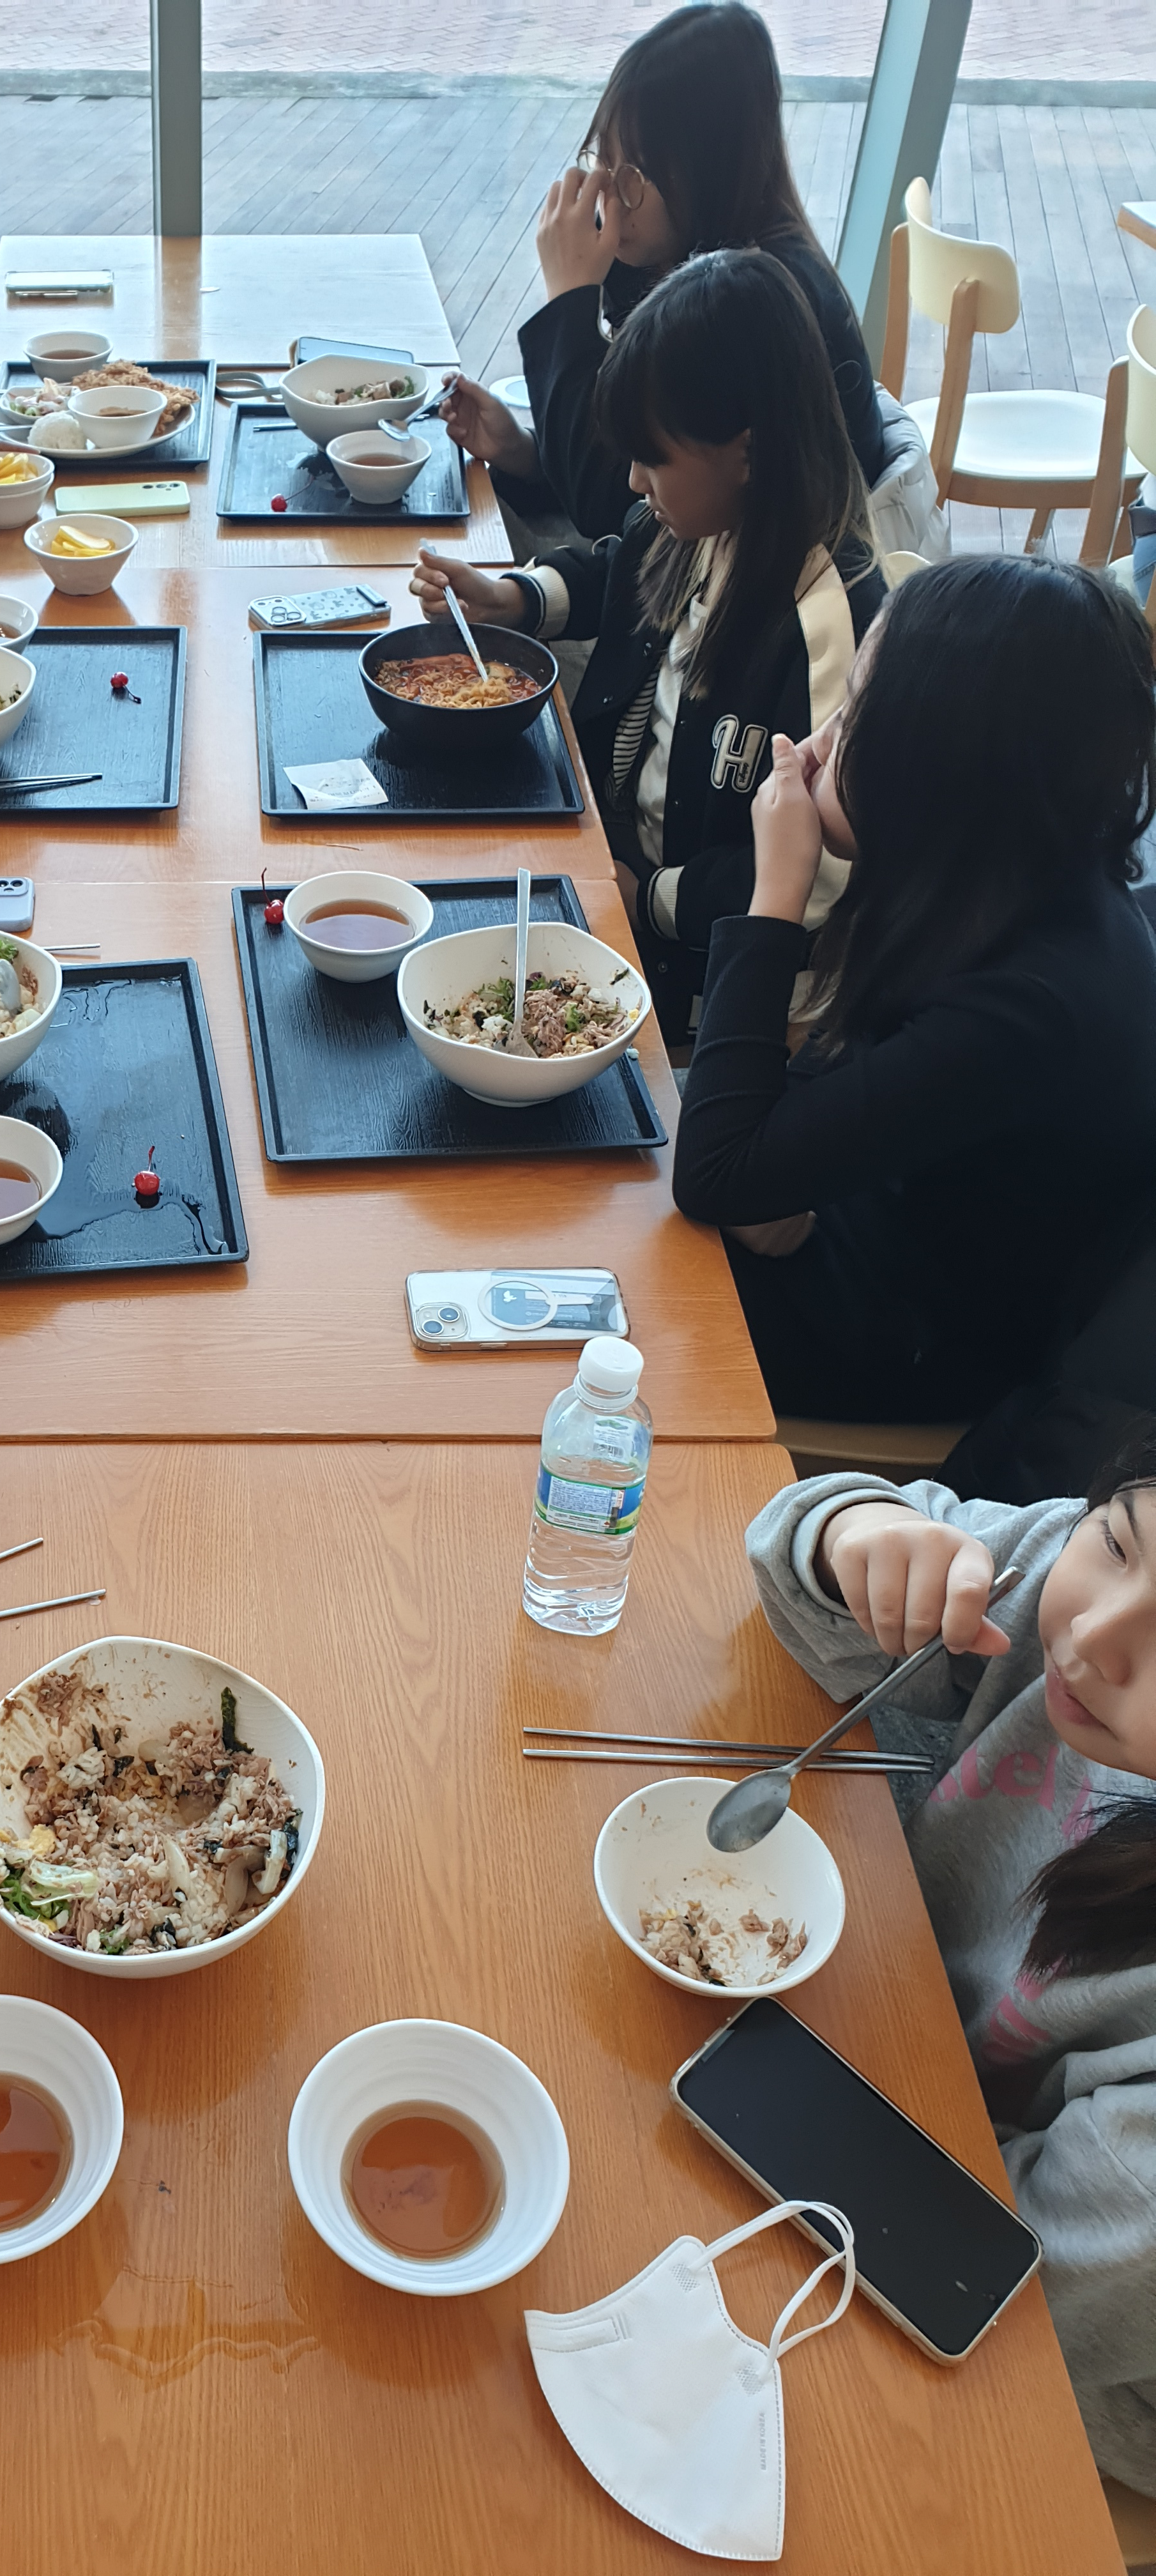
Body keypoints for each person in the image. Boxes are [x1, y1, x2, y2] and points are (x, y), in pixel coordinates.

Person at [747, 1443, 1156, 2496]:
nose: (1092, 1638)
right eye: (1117, 1542)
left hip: (1059, 2350)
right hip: (903, 2044)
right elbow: (804, 1560)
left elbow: (990, 2271)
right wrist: (857, 1539)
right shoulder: (1085, 1582)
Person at [674, 555, 1156, 1429]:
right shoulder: (1006, 876)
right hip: (877, 1230)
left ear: (938, 758)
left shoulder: (1032, 1005)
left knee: (618, 1267)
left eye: (858, 710)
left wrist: (775, 893)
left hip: (918, 1343)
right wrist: (772, 1174)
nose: (821, 738)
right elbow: (793, 1118)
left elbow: (715, 1175)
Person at [413, 249, 883, 1032]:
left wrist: (653, 899)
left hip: (707, 971)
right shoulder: (702, 518)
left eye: (652, 459)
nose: (633, 481)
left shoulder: (832, 622)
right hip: (614, 855)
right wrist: (512, 599)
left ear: (746, 450)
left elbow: (822, 877)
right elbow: (615, 566)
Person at [439, 3, 891, 545]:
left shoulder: (748, 302)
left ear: (707, 172)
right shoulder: (685, 257)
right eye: (601, 161)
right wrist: (526, 453)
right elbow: (633, 470)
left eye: (632, 174)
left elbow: (613, 506)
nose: (607, 194)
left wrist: (569, 301)